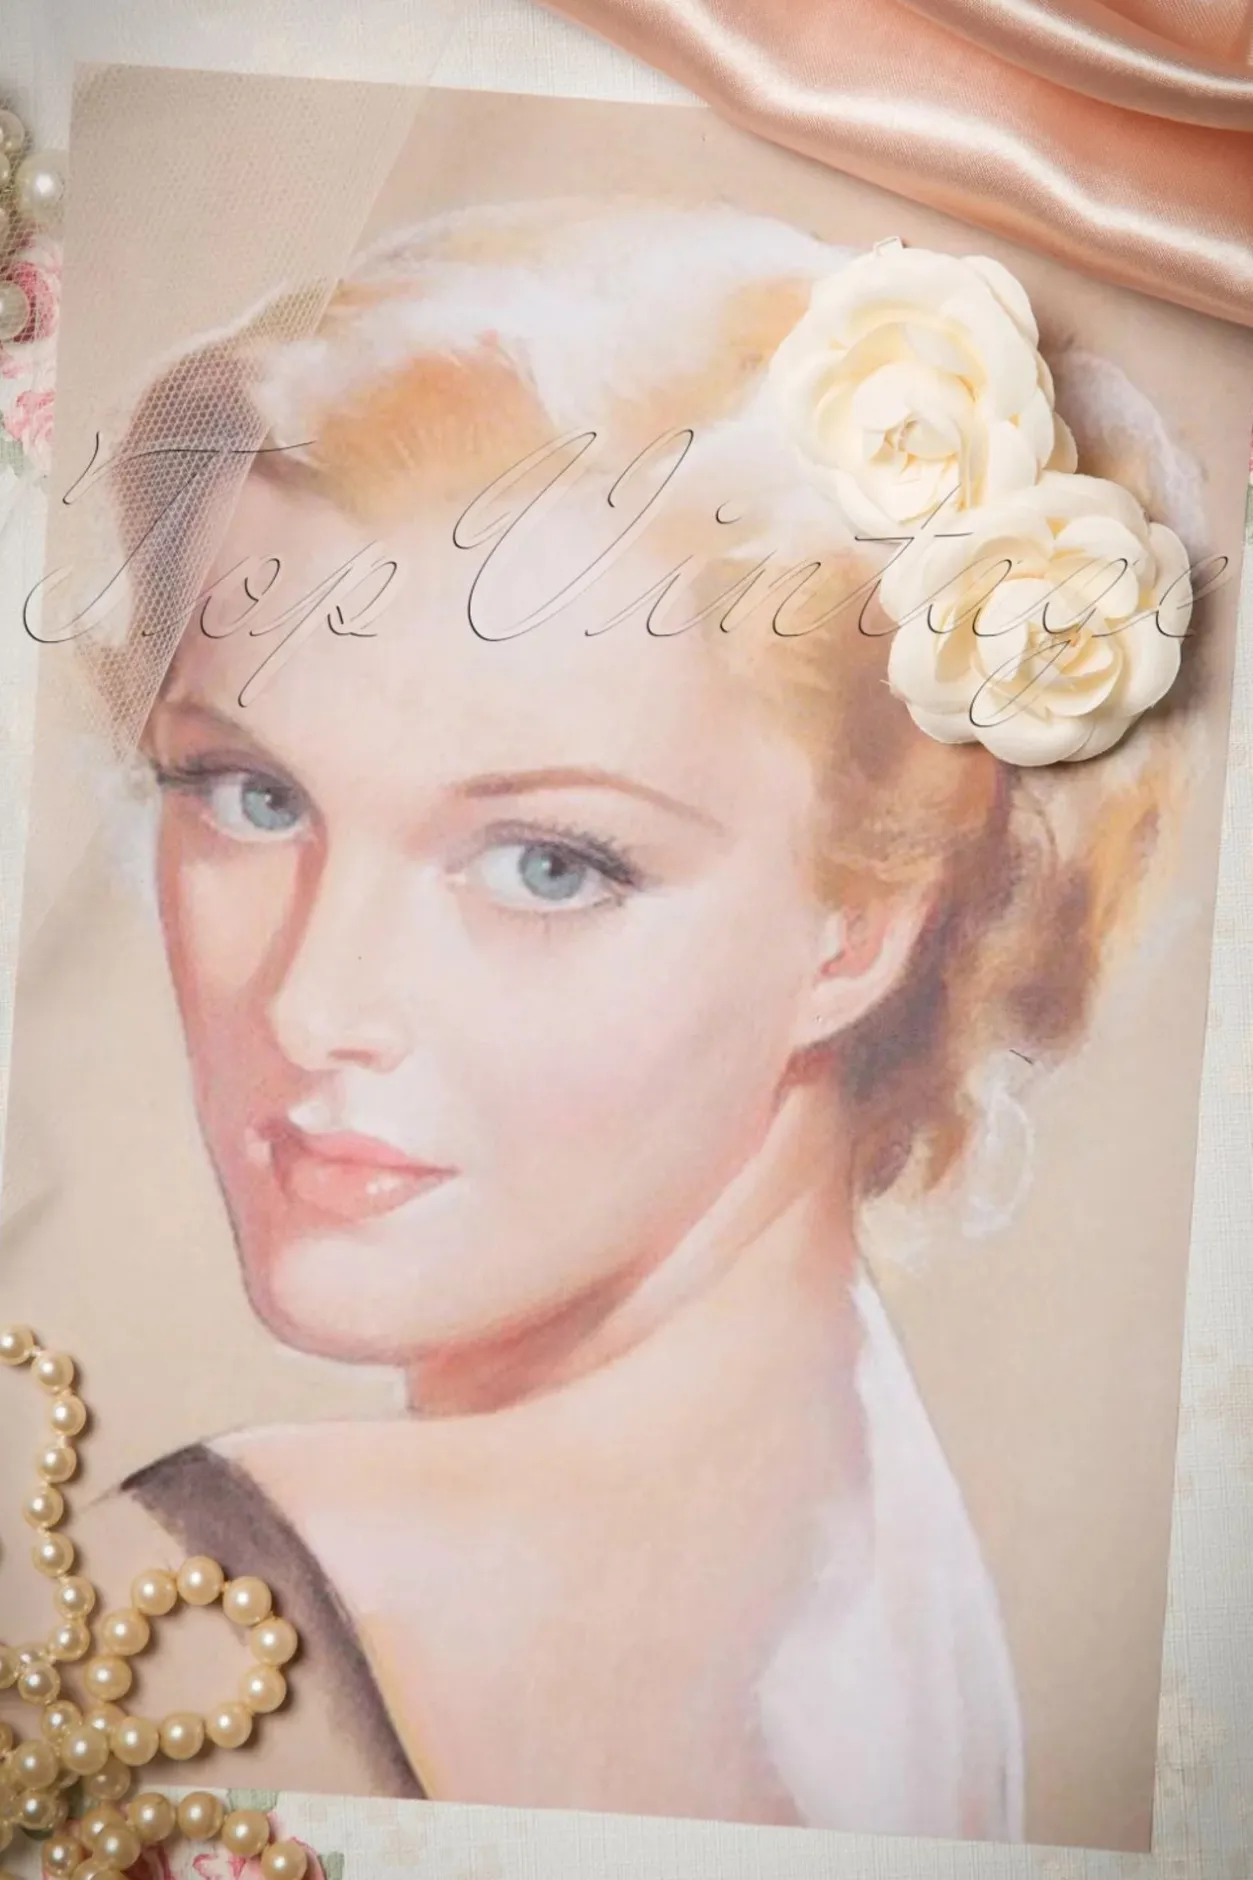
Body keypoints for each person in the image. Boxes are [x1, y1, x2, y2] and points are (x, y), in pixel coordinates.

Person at [72, 200, 1178, 1839]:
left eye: (548, 865)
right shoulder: (904, 1599)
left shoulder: (215, 1594)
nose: (312, 1006)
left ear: (862, 925)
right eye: (250, 793)